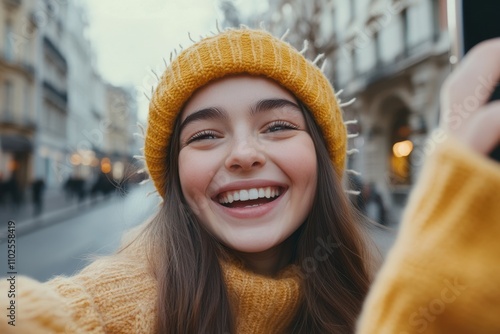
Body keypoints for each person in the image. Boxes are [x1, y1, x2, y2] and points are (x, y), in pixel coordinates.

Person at [0, 28, 498, 334]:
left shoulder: (384, 293)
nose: (242, 155)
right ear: (174, 174)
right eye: (206, 135)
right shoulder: (103, 308)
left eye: (278, 126)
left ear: (322, 159)